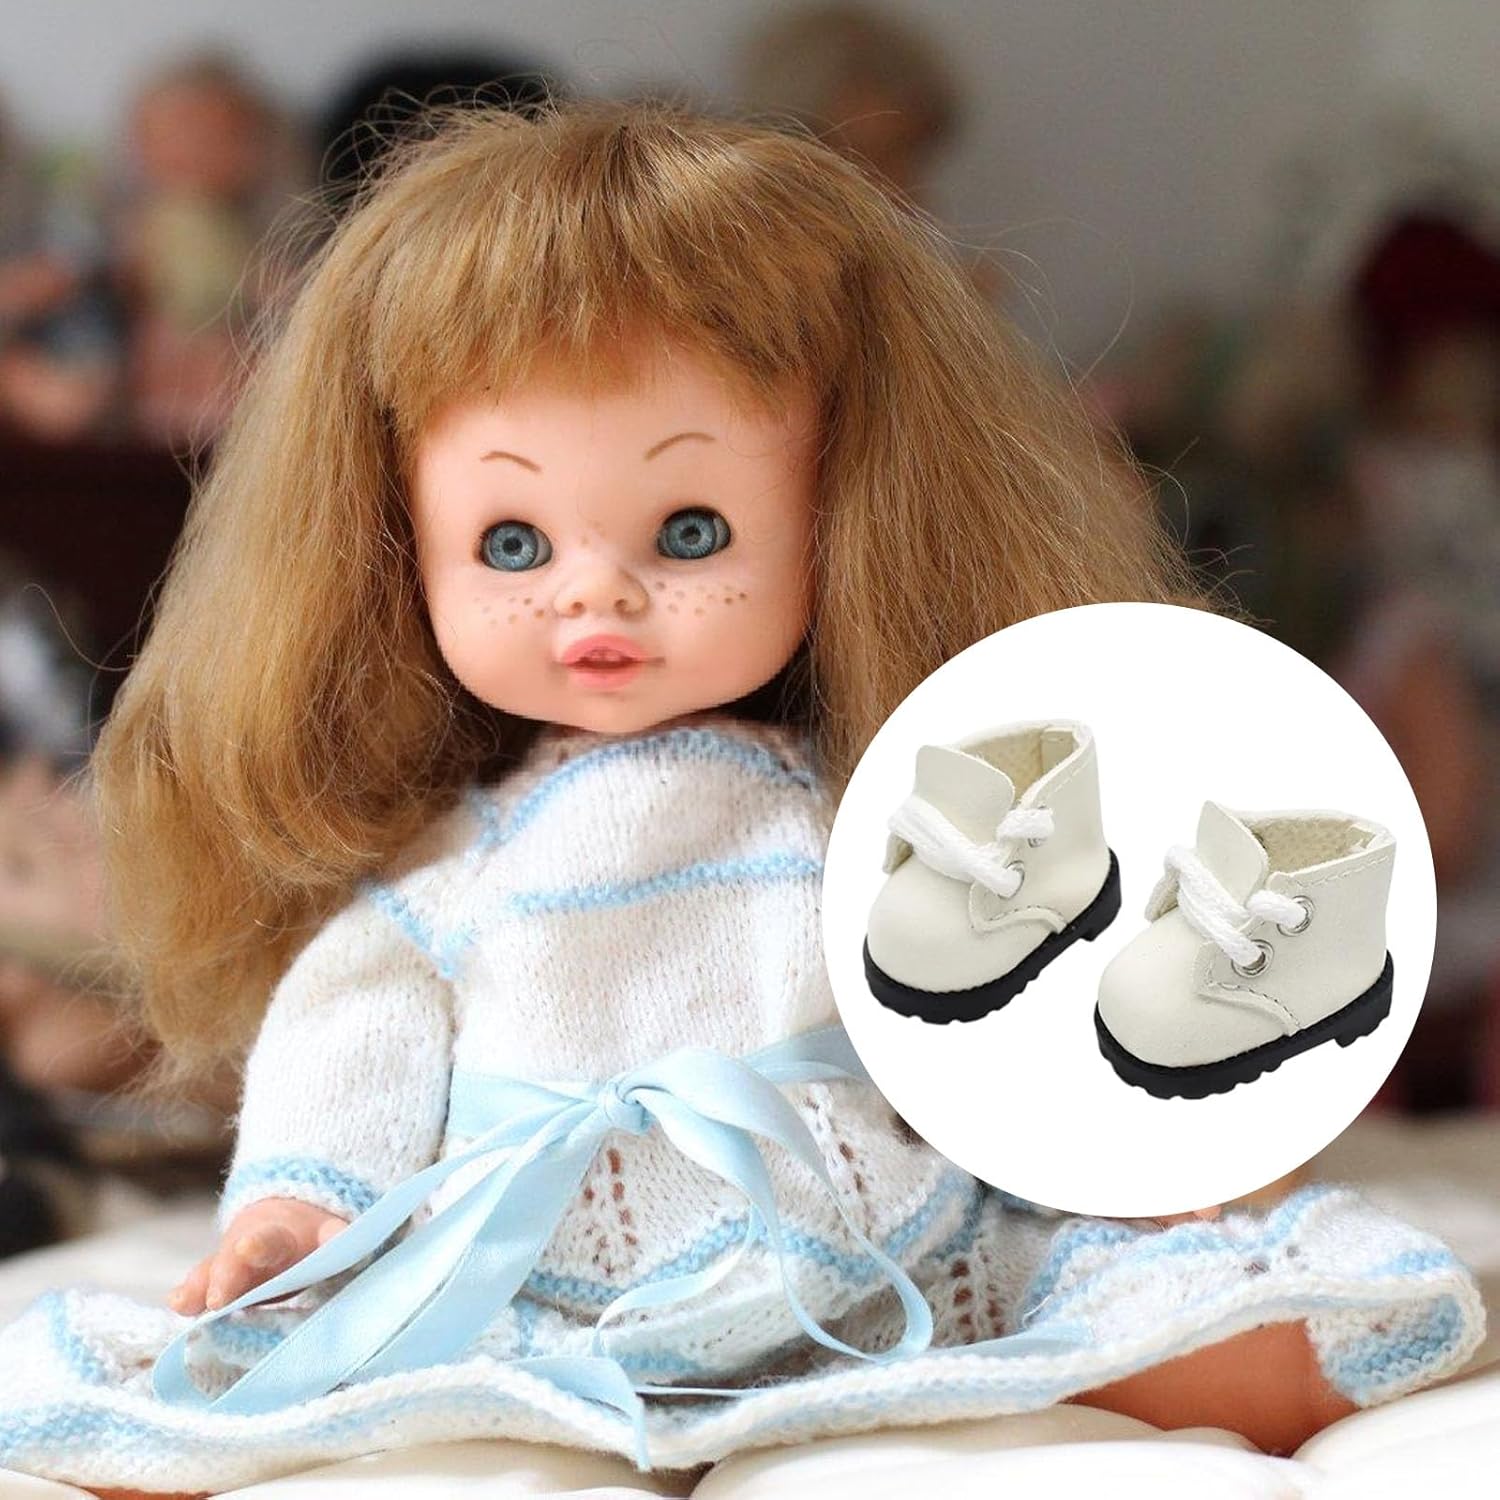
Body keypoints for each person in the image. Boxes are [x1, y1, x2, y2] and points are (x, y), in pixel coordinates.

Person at [0, 103, 1479, 1497]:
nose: (596, 592)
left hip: (868, 1241)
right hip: (531, 1271)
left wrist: (1116, 1150)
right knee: (270, 1370)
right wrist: (299, 1210)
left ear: (837, 517)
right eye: (512, 544)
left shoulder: (864, 819)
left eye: (691, 529)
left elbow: (984, 999)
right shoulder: (453, 876)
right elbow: (354, 1039)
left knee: (1154, 1287)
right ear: (398, 548)